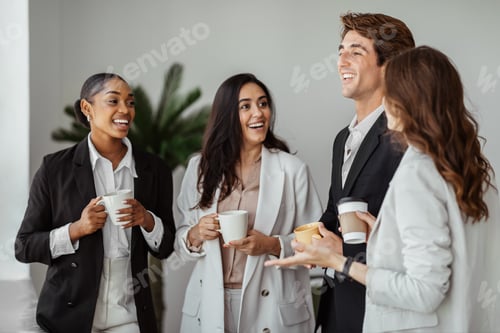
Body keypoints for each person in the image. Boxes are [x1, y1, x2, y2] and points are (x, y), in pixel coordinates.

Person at [266, 46, 500, 332]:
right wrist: (383, 233)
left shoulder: (418, 173)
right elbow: (449, 253)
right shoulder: (473, 170)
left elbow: (423, 292)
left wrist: (339, 261)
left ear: (403, 100)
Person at [15, 73, 176, 333]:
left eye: (131, 102)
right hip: (69, 317)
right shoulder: (54, 169)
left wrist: (147, 220)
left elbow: (166, 246)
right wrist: (76, 229)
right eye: (113, 101)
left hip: (131, 315)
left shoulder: (154, 169)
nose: (125, 110)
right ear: (87, 108)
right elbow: (23, 247)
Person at [174, 73, 323, 333]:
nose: (259, 113)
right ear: (227, 115)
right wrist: (196, 234)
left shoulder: (292, 169)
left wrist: (272, 244)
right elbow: (181, 240)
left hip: (272, 306)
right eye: (246, 106)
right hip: (209, 305)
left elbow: (317, 243)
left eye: (263, 104)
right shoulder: (199, 168)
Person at [315, 12, 415, 332]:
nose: (342, 60)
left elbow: (413, 235)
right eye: (340, 50)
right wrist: (309, 237)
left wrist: (341, 251)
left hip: (383, 310)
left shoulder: (408, 138)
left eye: (356, 51)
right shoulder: (341, 139)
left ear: (389, 66)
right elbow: (335, 212)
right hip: (337, 309)